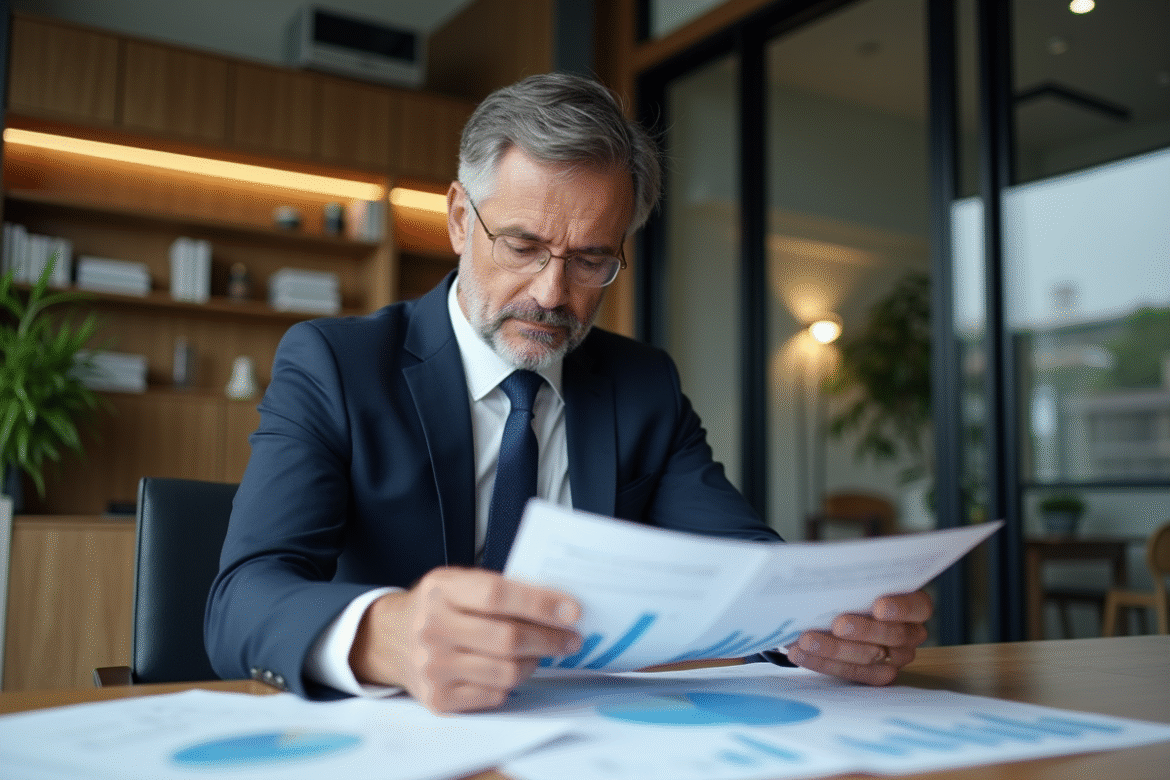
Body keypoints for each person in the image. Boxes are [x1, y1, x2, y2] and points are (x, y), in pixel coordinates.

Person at [205, 73, 932, 714]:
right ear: (460, 219)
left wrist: (822, 626)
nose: (552, 294)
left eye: (590, 260)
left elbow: (741, 563)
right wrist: (383, 634)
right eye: (522, 246)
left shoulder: (642, 384)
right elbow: (241, 600)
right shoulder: (336, 364)